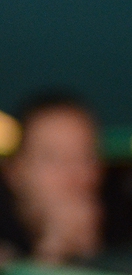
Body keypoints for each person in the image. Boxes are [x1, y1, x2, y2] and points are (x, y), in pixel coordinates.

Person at [0, 94, 109, 264]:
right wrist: (52, 253)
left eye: (85, 157)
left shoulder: (122, 225)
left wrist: (90, 252)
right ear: (14, 171)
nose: (74, 175)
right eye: (52, 158)